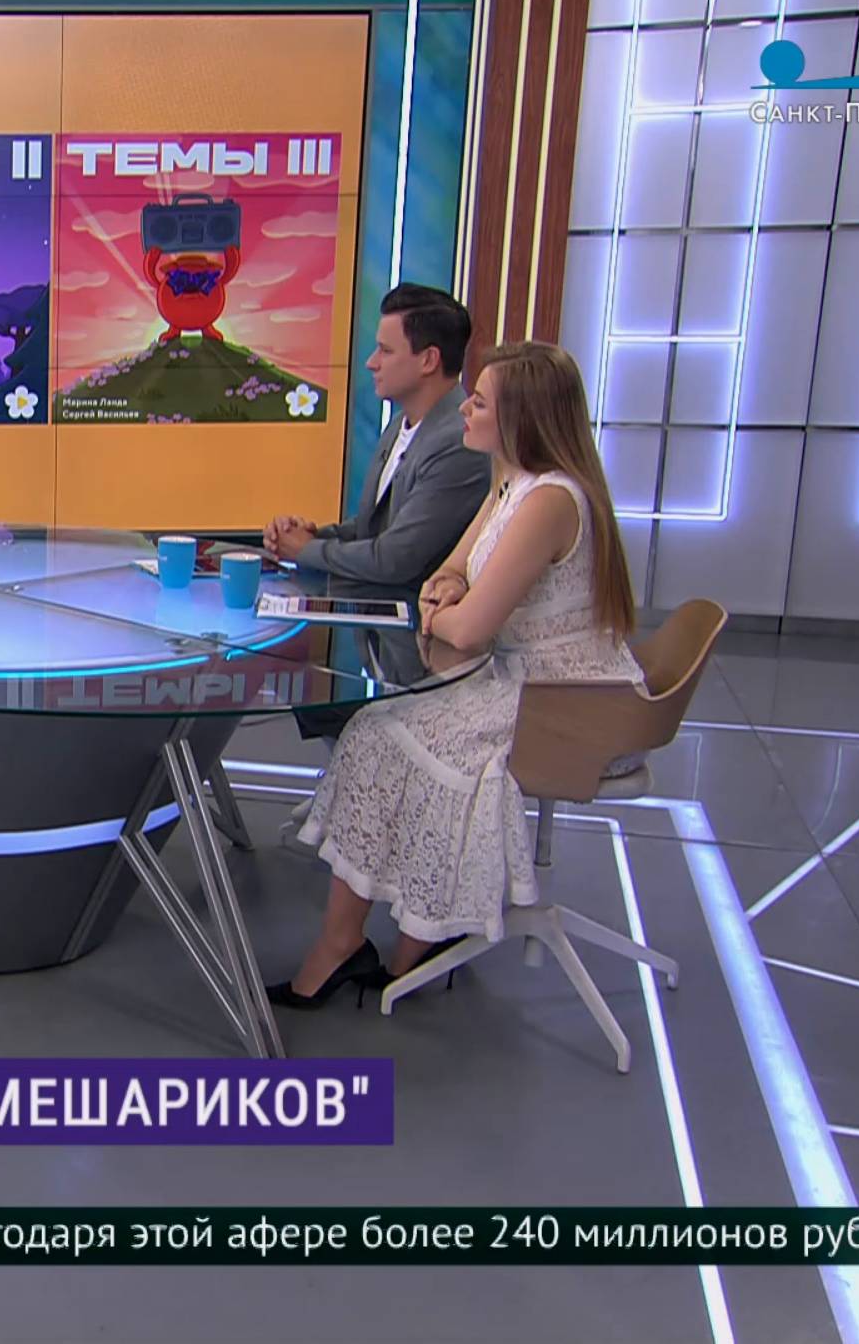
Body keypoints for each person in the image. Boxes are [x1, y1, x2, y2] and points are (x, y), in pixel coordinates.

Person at [269, 340, 643, 1010]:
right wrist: (446, 595)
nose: (465, 410)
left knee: (384, 737)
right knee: (381, 731)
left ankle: (382, 942)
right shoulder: (509, 484)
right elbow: (451, 572)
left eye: (481, 403)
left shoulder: (550, 501)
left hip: (565, 705)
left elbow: (468, 630)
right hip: (519, 681)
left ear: (522, 418)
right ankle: (379, 942)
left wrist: (441, 611)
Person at [266, 284, 486, 684]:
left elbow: (397, 558)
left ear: (428, 360)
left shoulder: (458, 441)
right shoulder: (401, 423)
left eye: (385, 351)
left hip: (425, 660)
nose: (371, 363)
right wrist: (311, 535)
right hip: (380, 641)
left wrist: (308, 550)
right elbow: (373, 528)